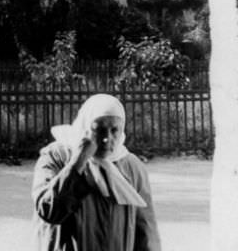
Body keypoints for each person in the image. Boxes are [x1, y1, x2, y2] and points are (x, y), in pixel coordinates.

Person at [32, 93, 161, 251]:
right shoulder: (56, 157)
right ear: (85, 127)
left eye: (114, 130)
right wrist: (77, 162)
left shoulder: (131, 167)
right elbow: (49, 210)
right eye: (99, 129)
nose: (107, 138)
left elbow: (146, 231)